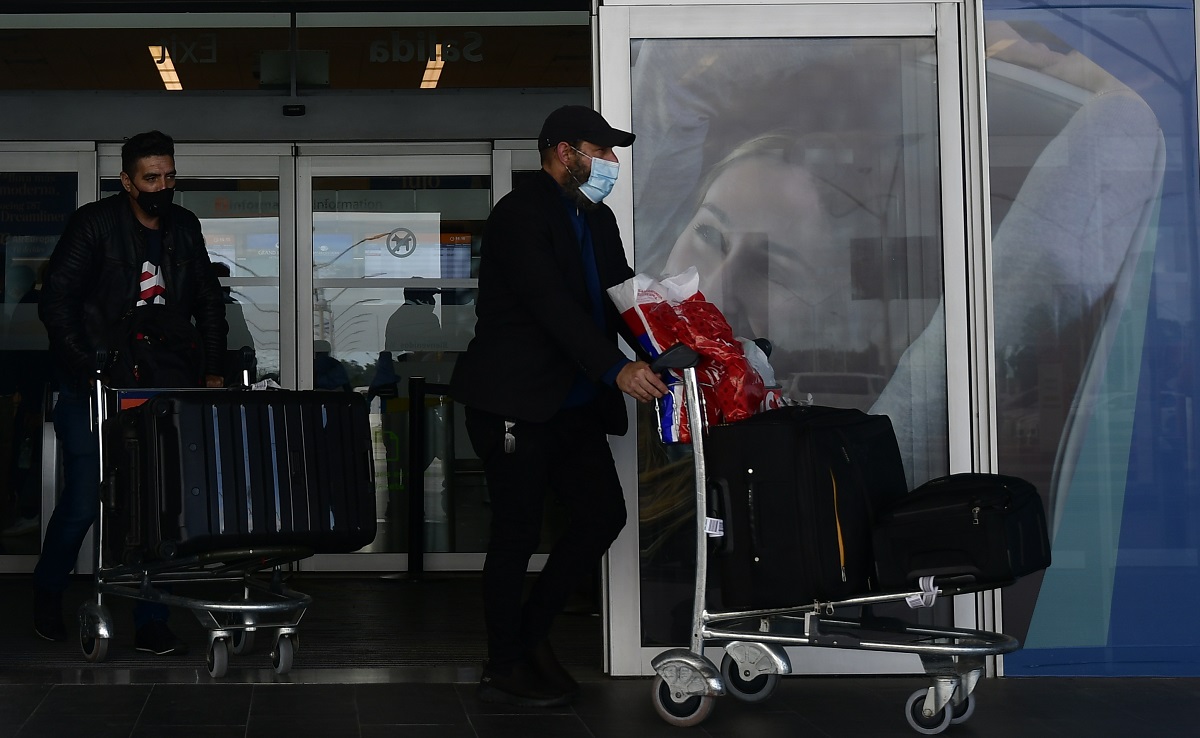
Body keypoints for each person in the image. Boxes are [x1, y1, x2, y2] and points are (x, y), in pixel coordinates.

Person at [450, 105, 668, 707]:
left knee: (602, 516)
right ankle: (504, 662)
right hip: (513, 401)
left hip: (572, 405)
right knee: (516, 532)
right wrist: (615, 368)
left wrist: (673, 346)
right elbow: (551, 306)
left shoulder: (595, 220)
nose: (612, 164)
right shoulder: (520, 214)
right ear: (564, 152)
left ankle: (532, 635)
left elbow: (624, 295)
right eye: (602, 152)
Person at [35, 130, 227, 654]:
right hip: (95, 385)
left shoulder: (183, 227)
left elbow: (208, 300)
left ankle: (151, 618)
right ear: (126, 181)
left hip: (164, 384)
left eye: (169, 177)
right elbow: (57, 304)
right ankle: (47, 596)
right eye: (150, 178)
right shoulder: (94, 225)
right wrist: (88, 367)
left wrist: (212, 370)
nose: (162, 187)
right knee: (83, 501)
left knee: (158, 504)